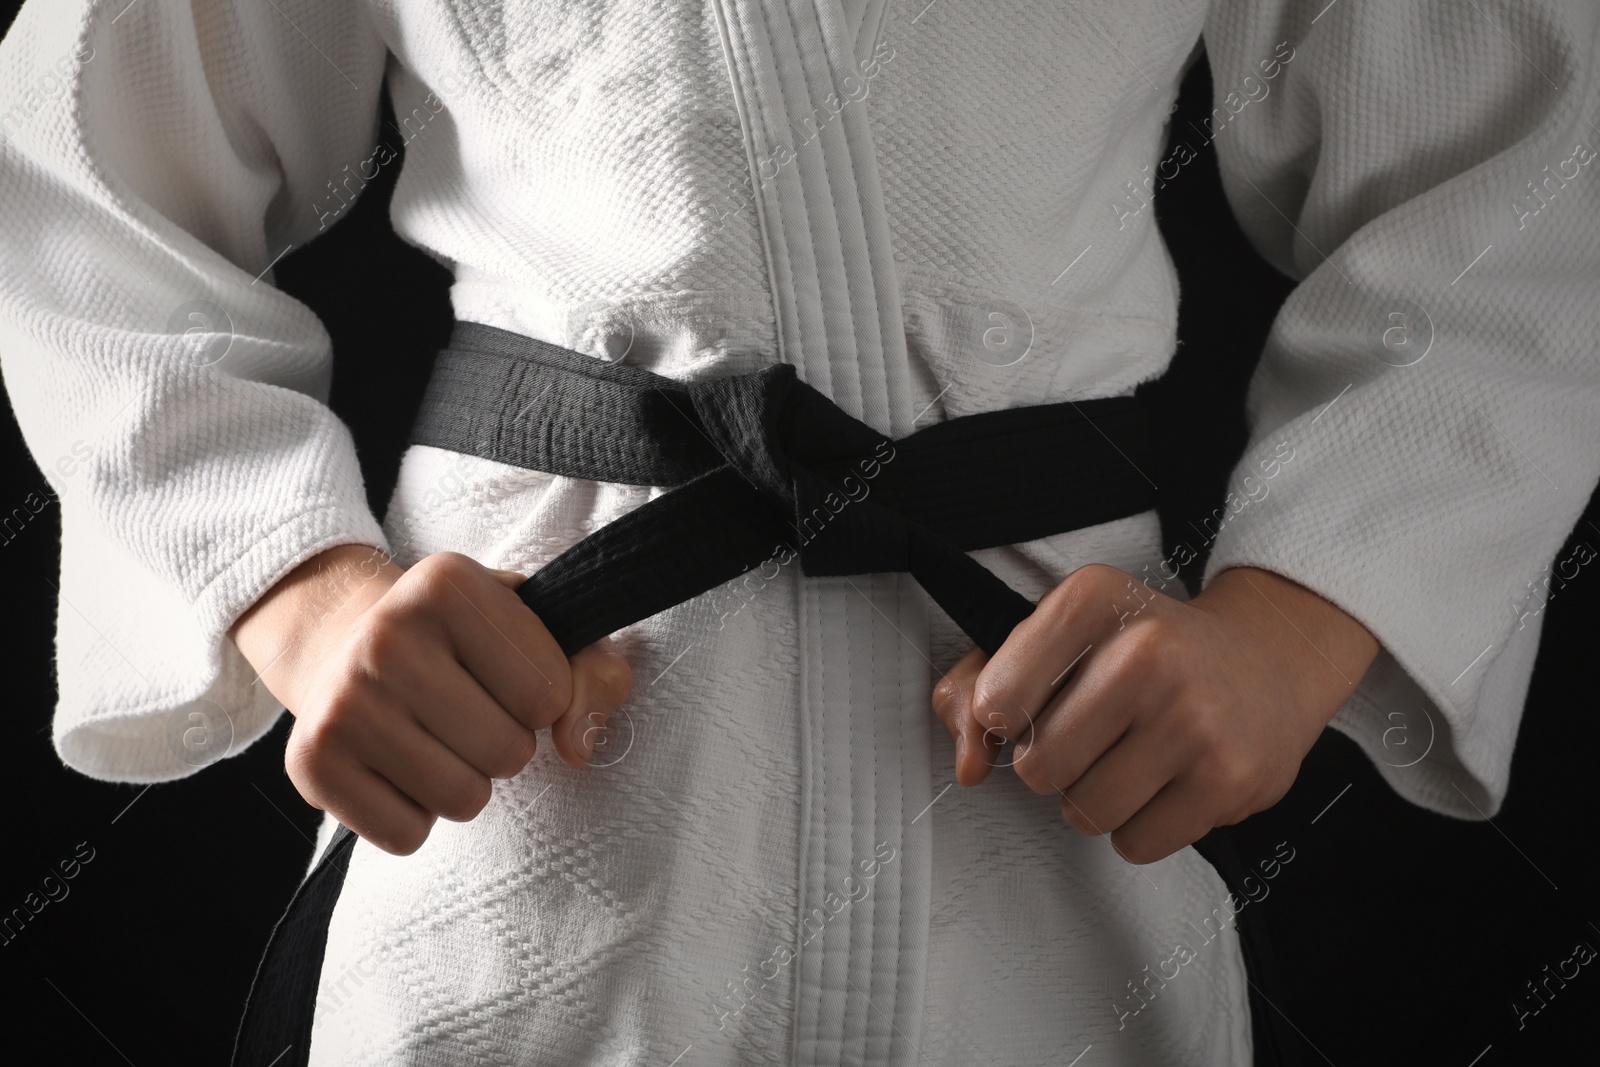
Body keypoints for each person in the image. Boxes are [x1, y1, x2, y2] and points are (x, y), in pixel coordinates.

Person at [1, 0, 1595, 1063]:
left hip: (1054, 740)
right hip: (528, 714)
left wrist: (1294, 627)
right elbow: (81, 186)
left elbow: (1522, 172)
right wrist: (307, 592)